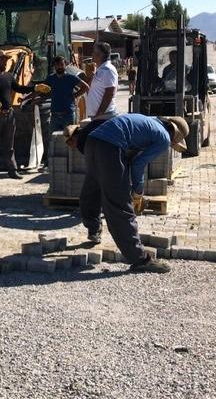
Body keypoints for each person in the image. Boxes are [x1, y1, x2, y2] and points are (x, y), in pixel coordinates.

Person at [71, 113, 189, 273]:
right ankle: (139, 259)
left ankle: (93, 228)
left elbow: (129, 156)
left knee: (93, 188)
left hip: (92, 141)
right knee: (119, 205)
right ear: (175, 137)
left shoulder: (149, 121)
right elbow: (138, 163)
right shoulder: (164, 138)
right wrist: (137, 191)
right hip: (109, 147)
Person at [0, 52, 50, 179]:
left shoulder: (8, 76)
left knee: (9, 145)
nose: (5, 62)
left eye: (6, 60)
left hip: (9, 115)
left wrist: (35, 88)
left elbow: (19, 89)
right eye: (2, 60)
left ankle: (12, 170)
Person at [42, 55, 89, 165]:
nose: (59, 66)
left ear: (65, 65)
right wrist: (32, 98)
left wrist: (75, 95)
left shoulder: (71, 77)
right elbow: (41, 89)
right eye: (57, 64)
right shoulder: (51, 78)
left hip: (68, 113)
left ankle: (71, 162)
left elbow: (86, 87)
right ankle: (50, 162)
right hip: (55, 115)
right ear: (54, 66)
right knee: (52, 139)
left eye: (62, 64)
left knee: (70, 139)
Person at [86, 42, 119, 120]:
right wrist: (90, 76)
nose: (92, 54)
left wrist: (99, 114)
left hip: (104, 116)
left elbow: (110, 93)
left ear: (100, 54)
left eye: (94, 52)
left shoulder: (107, 70)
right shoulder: (100, 70)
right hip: (99, 116)